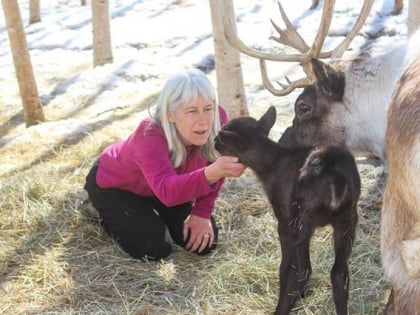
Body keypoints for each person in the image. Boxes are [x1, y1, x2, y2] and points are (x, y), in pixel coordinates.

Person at [84, 68, 246, 261]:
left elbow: (218, 164)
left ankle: (152, 216)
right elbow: (171, 191)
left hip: (165, 187)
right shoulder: (149, 133)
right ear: (170, 114)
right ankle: (96, 208)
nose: (203, 120)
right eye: (192, 111)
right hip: (118, 184)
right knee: (153, 248)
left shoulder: (217, 120)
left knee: (204, 244)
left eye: (208, 108)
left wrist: (202, 213)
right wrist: (212, 172)